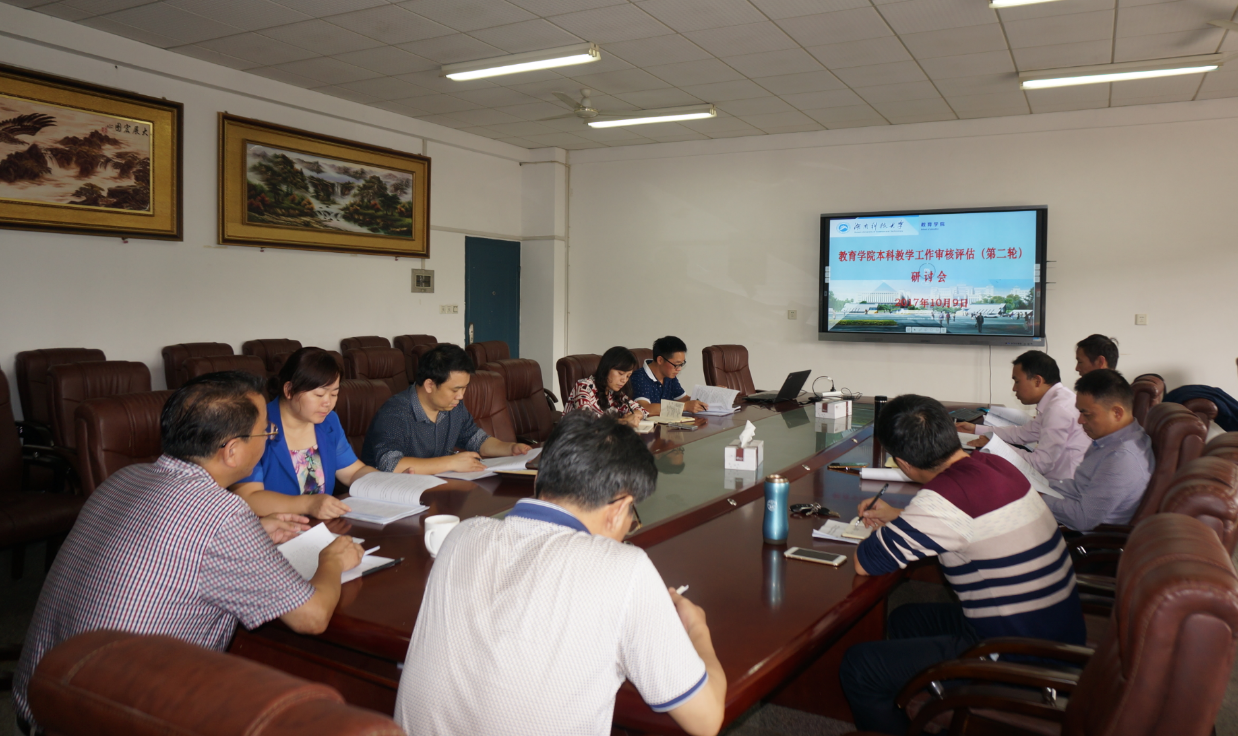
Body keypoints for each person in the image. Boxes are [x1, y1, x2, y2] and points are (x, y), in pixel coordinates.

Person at [13, 372, 364, 735]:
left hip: (43, 700)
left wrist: (254, 532)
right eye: (265, 432)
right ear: (232, 451)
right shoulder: (221, 514)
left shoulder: (123, 478)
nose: (270, 437)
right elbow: (311, 618)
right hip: (106, 719)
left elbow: (166, 542)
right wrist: (331, 561)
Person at [394, 412, 726, 736]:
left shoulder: (461, 536)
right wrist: (697, 628)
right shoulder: (624, 569)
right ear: (618, 510)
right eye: (631, 518)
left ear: (537, 481)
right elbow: (706, 719)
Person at [840, 394, 1085, 734]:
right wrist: (898, 516)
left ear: (903, 464)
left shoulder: (943, 500)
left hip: (1017, 654)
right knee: (905, 619)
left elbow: (865, 562)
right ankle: (930, 704)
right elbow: (967, 522)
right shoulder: (995, 465)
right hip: (1057, 631)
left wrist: (896, 524)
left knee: (859, 667)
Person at [231, 348, 379, 519]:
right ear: (289, 390)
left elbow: (352, 472)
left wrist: (387, 482)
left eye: (334, 394)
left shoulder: (329, 422)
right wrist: (308, 504)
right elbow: (248, 497)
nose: (328, 403)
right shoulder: (256, 427)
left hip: (321, 526)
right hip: (273, 528)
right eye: (319, 394)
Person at [361, 343, 530, 475]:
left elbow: (475, 439)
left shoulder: (453, 406)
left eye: (464, 388)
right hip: (390, 494)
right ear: (429, 385)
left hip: (433, 487)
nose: (461, 396)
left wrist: (510, 448)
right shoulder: (396, 412)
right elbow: (391, 465)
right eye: (455, 390)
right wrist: (451, 463)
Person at [1043, 370, 1154, 531]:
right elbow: (1079, 487)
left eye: (1087, 414)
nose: (1080, 420)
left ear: (1117, 413)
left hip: (1085, 539)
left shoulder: (1122, 458)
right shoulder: (1110, 439)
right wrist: (1041, 486)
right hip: (1073, 509)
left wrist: (1038, 498)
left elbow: (1083, 519)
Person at [957, 350, 1090, 481]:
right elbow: (1023, 434)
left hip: (1060, 487)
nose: (1014, 388)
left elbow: (1039, 464)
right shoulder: (1057, 400)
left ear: (1037, 381)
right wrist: (975, 429)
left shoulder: (1058, 409)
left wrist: (995, 446)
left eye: (1017, 381)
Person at [566, 346, 649, 429]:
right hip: (575, 436)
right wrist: (623, 421)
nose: (624, 380)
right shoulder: (584, 386)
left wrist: (636, 414)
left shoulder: (614, 392)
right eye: (620, 373)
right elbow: (585, 420)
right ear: (607, 368)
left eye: (628, 376)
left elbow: (642, 410)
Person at [629, 336, 706, 416]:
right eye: (676, 364)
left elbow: (683, 399)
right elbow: (644, 408)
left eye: (681, 364)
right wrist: (684, 407)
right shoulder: (639, 378)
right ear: (660, 360)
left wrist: (704, 400)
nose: (679, 369)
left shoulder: (669, 376)